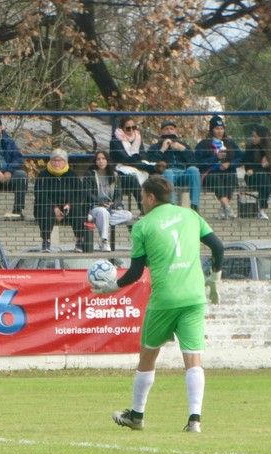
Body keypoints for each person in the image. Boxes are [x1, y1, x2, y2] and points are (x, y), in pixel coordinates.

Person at [91, 175, 224, 433]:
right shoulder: (190, 215)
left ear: (151, 197)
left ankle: (137, 416)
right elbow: (218, 248)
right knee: (193, 359)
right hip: (194, 297)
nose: (142, 201)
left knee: (148, 356)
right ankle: (194, 420)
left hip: (164, 300)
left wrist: (110, 288)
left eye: (142, 197)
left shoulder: (143, 226)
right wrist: (215, 279)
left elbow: (135, 273)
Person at [33, 148, 87, 252]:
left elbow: (80, 193)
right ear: (50, 161)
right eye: (54, 160)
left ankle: (79, 241)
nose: (57, 163)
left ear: (65, 162)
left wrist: (69, 204)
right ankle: (46, 242)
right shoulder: (43, 175)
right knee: (46, 210)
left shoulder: (72, 175)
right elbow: (39, 194)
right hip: (48, 207)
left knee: (77, 210)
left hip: (67, 208)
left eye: (60, 160)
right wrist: (54, 208)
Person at [147, 120, 202, 212]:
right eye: (166, 129)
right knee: (169, 172)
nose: (169, 131)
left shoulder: (183, 145)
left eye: (172, 129)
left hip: (183, 172)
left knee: (194, 170)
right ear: (161, 131)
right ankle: (171, 206)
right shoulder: (155, 147)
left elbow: (194, 162)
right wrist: (162, 149)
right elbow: (151, 162)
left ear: (176, 131)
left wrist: (183, 149)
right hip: (167, 173)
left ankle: (195, 206)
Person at [195, 115, 242, 219]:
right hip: (209, 173)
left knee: (231, 178)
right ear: (211, 130)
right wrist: (215, 158)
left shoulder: (230, 144)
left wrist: (229, 164)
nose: (220, 131)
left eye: (221, 129)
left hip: (227, 172)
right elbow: (198, 162)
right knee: (215, 179)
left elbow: (241, 158)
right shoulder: (203, 144)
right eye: (217, 129)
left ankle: (224, 208)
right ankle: (228, 207)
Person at [84, 151, 132, 252]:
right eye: (98, 159)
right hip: (95, 207)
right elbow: (87, 194)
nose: (101, 161)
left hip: (110, 208)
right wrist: (101, 202)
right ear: (95, 161)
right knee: (102, 212)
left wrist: (115, 204)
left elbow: (119, 194)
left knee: (128, 215)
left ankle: (99, 220)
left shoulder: (114, 175)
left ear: (107, 161)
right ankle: (104, 241)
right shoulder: (90, 174)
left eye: (103, 159)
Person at [109, 116, 156, 212]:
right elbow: (126, 160)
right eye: (128, 128)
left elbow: (143, 155)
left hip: (137, 168)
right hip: (121, 172)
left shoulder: (137, 138)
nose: (131, 130)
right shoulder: (115, 141)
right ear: (122, 129)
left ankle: (156, 207)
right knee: (132, 179)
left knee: (155, 178)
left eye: (133, 127)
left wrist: (143, 164)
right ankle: (144, 209)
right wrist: (147, 167)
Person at [242, 125, 271, 221]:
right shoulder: (250, 148)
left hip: (267, 178)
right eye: (252, 136)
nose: (253, 138)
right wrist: (261, 166)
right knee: (262, 176)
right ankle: (270, 195)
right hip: (252, 178)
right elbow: (248, 169)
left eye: (255, 136)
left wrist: (260, 167)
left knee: (265, 179)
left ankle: (262, 211)